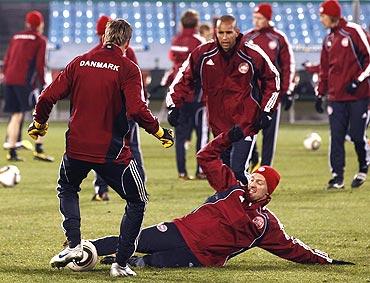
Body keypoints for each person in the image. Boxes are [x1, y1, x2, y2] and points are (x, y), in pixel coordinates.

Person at [28, 19, 174, 277]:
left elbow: (47, 96)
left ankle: (73, 245)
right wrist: (159, 131)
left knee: (68, 188)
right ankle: (120, 264)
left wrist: (39, 123)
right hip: (112, 153)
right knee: (137, 200)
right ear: (127, 42)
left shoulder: (79, 62)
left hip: (76, 148)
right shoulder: (128, 68)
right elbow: (137, 109)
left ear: (104, 36)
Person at [89, 127, 353, 268]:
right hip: (181, 230)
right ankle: (83, 248)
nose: (253, 183)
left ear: (268, 193)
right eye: (253, 178)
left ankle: (126, 261)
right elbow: (205, 157)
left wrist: (326, 260)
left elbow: (293, 249)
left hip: (203, 257)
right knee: (132, 240)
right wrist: (228, 137)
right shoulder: (232, 187)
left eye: (260, 183)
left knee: (148, 263)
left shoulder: (265, 226)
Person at [167, 14, 280, 183]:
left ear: (237, 32)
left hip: (246, 122)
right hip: (219, 125)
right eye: (221, 33)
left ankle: (251, 205)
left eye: (229, 32)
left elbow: (273, 78)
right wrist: (174, 105)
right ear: (215, 32)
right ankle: (232, 207)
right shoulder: (203, 54)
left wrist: (266, 110)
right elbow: (184, 77)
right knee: (226, 173)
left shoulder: (251, 53)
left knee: (237, 170)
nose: (225, 37)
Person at [90, 15, 146, 201]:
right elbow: (137, 81)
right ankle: (140, 187)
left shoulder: (93, 55)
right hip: (128, 110)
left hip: (103, 113)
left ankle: (101, 190)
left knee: (101, 151)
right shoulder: (127, 52)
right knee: (133, 149)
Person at [315, 0, 370, 189]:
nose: (321, 20)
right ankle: (337, 177)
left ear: (332, 15)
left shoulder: (353, 31)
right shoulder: (327, 40)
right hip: (335, 98)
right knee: (336, 137)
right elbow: (324, 69)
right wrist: (319, 93)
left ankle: (363, 167)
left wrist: (358, 81)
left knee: (356, 135)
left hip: (358, 96)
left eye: (322, 16)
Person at [244, 3, 296, 170]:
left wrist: (287, 90)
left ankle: (265, 170)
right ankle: (249, 161)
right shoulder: (247, 38)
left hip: (272, 95)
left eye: (260, 18)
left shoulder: (279, 39)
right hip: (250, 95)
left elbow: (288, 66)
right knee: (245, 131)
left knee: (269, 134)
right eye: (255, 18)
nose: (256, 21)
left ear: (268, 19)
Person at [163, 10, 209, 180]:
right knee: (202, 135)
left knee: (181, 136)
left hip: (179, 95)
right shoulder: (199, 42)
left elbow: (174, 62)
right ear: (197, 24)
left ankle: (182, 172)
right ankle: (200, 170)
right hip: (197, 96)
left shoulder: (176, 41)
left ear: (182, 24)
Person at [2, 10, 54, 162]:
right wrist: (44, 83)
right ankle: (39, 149)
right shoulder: (40, 40)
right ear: (40, 24)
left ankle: (11, 151)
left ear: (27, 23)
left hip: (9, 80)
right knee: (41, 111)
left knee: (16, 115)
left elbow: (7, 59)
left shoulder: (16, 37)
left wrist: (5, 75)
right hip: (24, 82)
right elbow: (40, 65)